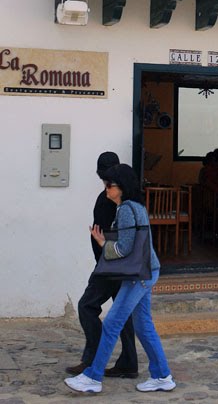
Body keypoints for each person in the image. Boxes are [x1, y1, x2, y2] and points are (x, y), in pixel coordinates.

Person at [64, 164, 176, 394]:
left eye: (109, 185)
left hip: (138, 275)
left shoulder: (125, 209)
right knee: (144, 327)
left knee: (113, 323)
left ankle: (93, 377)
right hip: (147, 271)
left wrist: (104, 243)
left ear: (121, 187)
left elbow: (124, 248)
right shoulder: (137, 206)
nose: (106, 188)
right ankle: (162, 376)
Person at [65, 152, 138, 379]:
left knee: (87, 306)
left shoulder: (113, 199)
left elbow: (109, 235)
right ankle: (128, 362)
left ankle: (92, 360)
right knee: (123, 313)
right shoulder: (131, 198)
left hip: (109, 265)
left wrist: (104, 258)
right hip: (121, 265)